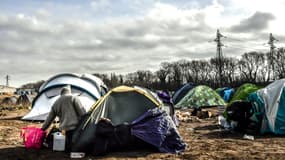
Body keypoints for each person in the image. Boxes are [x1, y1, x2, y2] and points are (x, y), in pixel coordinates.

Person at [41, 85, 86, 152]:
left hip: (64, 131)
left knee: (67, 145)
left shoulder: (56, 103)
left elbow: (49, 119)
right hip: (76, 129)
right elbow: (83, 114)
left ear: (61, 93)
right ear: (69, 92)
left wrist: (42, 129)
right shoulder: (73, 98)